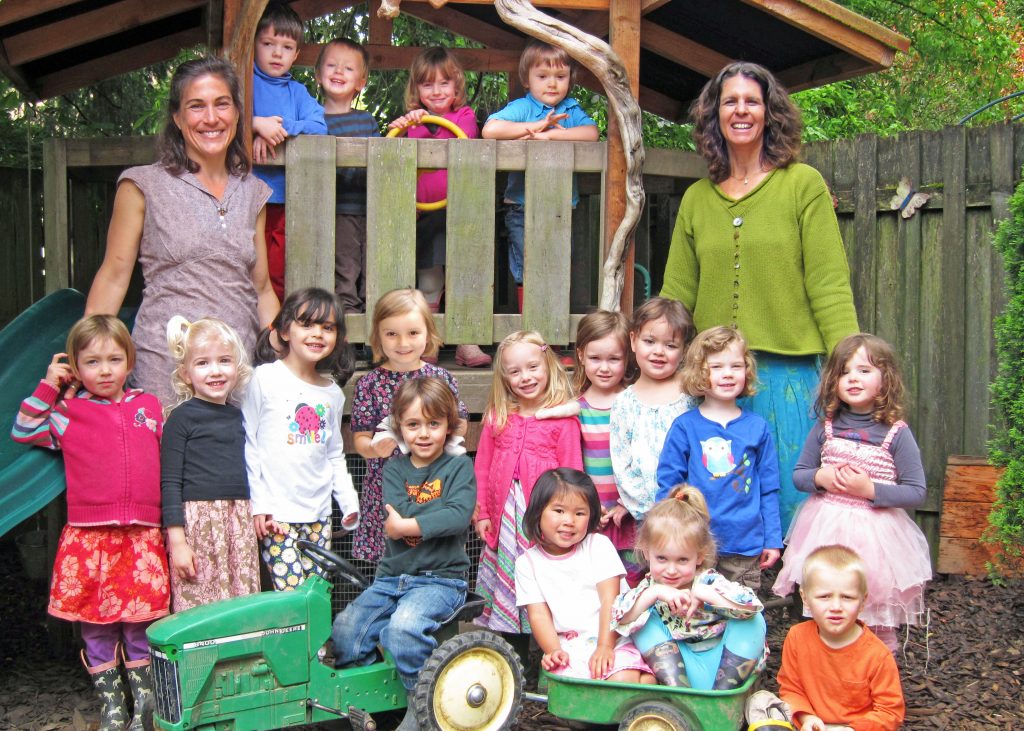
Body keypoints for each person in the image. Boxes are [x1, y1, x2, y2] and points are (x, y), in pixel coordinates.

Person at [660, 61, 859, 532]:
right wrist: (652, 369)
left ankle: (800, 605)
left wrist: (848, 368)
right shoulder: (697, 200)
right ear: (715, 117)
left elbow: (829, 283)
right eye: (730, 101)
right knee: (713, 514)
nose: (741, 110)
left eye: (752, 101)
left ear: (770, 114)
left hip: (787, 381)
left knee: (793, 510)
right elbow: (676, 297)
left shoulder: (802, 185)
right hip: (712, 385)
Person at [85, 56, 278, 408]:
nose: (211, 118)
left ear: (236, 112)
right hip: (165, 369)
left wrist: (286, 356)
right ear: (176, 117)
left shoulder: (254, 192)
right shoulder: (143, 185)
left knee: (233, 463)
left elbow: (261, 288)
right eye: (196, 106)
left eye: (222, 104)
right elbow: (113, 277)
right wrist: (86, 354)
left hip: (237, 372)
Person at [12, 315, 167, 730]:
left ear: (130, 362)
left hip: (141, 537)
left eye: (114, 359)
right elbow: (23, 429)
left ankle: (143, 710)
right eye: (92, 362)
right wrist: (50, 384)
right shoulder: (68, 413)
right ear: (76, 368)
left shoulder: (148, 406)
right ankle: (113, 710)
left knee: (139, 625)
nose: (104, 370)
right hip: (90, 537)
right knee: (97, 626)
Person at [332, 377, 475, 731]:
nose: (423, 434)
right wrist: (433, 516)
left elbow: (457, 517)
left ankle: (423, 704)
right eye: (413, 425)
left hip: (441, 580)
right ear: (399, 428)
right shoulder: (394, 469)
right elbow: (401, 508)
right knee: (346, 629)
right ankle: (370, 702)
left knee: (403, 630)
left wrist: (409, 525)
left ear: (449, 427)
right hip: (392, 577)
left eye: (433, 424)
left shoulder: (459, 467)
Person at [772, 333, 931, 652]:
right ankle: (825, 672)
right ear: (833, 380)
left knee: (874, 609)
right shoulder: (826, 427)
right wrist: (823, 477)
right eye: (845, 372)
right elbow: (800, 476)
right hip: (826, 530)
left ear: (885, 380)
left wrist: (869, 489)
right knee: (828, 602)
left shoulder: (896, 433)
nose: (853, 378)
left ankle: (876, 675)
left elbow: (916, 492)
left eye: (864, 370)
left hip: (877, 536)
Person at [243, 288, 359, 590]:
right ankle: (304, 640)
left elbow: (334, 454)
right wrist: (259, 503)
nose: (317, 334)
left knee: (316, 593)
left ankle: (316, 641)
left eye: (328, 327)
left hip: (319, 515)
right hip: (278, 515)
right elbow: (250, 443)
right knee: (292, 595)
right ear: (284, 330)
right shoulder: (264, 378)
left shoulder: (332, 393)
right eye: (306, 324)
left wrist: (347, 502)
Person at [473, 330, 583, 641]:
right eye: (515, 371)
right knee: (508, 576)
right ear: (505, 378)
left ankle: (545, 650)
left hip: (543, 519)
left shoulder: (562, 421)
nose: (526, 377)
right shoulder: (500, 417)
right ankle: (510, 645)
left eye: (533, 367)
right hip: (506, 516)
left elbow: (573, 472)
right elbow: (482, 467)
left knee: (543, 578)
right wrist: (482, 513)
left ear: (548, 364)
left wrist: (569, 518)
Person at [656, 326, 782, 590]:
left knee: (740, 613)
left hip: (744, 545)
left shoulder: (757, 427)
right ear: (700, 372)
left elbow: (769, 489)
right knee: (695, 614)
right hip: (694, 544)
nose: (727, 374)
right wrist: (665, 533)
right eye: (716, 367)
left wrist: (772, 539)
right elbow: (669, 484)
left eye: (736, 366)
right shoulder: (685, 426)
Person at [388, 47, 491, 368]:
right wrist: (404, 124)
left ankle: (466, 342)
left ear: (457, 87)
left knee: (463, 275)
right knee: (429, 280)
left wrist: (428, 122)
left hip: (460, 212)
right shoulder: (412, 124)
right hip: (423, 213)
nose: (436, 91)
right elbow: (391, 150)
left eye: (444, 83)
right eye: (427, 85)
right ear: (416, 90)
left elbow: (466, 138)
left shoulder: (464, 117)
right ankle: (429, 341)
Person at [350, 288, 469, 562]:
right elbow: (360, 440)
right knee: (390, 567)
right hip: (388, 489)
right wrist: (374, 448)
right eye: (391, 333)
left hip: (435, 486)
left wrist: (445, 428)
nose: (403, 342)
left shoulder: (441, 378)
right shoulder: (369, 384)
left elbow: (460, 425)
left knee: (432, 563)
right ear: (378, 336)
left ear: (428, 333)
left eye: (413, 333)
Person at [611, 486, 766, 691]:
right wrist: (655, 593)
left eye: (682, 560)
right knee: (642, 621)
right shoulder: (650, 587)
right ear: (647, 553)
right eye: (662, 559)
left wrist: (705, 594)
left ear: (699, 557)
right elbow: (619, 618)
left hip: (723, 668)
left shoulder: (708, 580)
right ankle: (682, 695)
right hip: (677, 671)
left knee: (753, 621)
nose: (671, 570)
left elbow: (752, 606)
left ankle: (719, 699)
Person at [482, 41, 599, 310]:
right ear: (526, 79)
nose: (552, 84)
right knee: (526, 264)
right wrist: (536, 126)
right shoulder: (523, 107)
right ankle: (532, 330)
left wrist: (554, 134)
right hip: (522, 206)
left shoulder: (569, 110)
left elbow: (591, 133)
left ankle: (553, 335)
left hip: (560, 207)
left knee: (557, 265)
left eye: (560, 77)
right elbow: (490, 129)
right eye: (543, 76)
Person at [515, 468, 653, 683]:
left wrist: (605, 647)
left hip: (611, 636)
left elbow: (611, 600)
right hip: (570, 645)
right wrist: (553, 650)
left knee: (624, 679)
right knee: (577, 688)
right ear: (538, 511)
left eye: (579, 513)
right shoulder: (527, 563)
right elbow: (539, 615)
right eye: (559, 511)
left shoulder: (597, 546)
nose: (569, 521)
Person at [161, 316, 260, 612]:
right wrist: (177, 541)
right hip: (198, 524)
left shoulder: (242, 417)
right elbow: (169, 482)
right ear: (186, 373)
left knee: (240, 600)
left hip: (239, 519)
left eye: (224, 361)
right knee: (200, 599)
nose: (215, 371)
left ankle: (240, 657)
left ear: (237, 368)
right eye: (203, 363)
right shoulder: (181, 418)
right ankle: (200, 659)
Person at [538, 310, 640, 581]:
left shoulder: (634, 405)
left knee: (631, 580)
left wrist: (628, 503)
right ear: (581, 356)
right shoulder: (577, 409)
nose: (604, 368)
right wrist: (590, 508)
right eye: (595, 358)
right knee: (591, 580)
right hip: (591, 514)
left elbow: (643, 461)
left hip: (627, 513)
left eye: (614, 359)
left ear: (627, 357)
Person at [757, 545, 905, 731]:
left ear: (862, 602)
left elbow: (890, 712)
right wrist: (806, 717)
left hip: (856, 728)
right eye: (824, 596)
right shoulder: (797, 637)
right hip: (812, 725)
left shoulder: (877, 655)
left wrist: (851, 729)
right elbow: (791, 688)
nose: (836, 606)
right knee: (759, 705)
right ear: (805, 598)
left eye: (847, 597)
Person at [251, 1, 328, 300]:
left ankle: (278, 326)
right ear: (254, 45)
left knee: (280, 264)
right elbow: (227, 119)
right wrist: (255, 125)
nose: (276, 53)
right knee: (251, 262)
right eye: (268, 43)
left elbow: (319, 125)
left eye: (285, 47)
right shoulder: (244, 84)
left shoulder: (297, 92)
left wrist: (278, 130)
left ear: (296, 54)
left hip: (286, 196)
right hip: (249, 196)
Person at [609, 297, 696, 524]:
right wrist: (644, 506)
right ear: (633, 340)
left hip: (689, 513)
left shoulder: (692, 397)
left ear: (684, 350)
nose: (659, 351)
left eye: (670, 345)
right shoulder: (624, 403)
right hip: (645, 516)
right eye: (649, 341)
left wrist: (685, 504)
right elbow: (622, 461)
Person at [315, 37, 380, 314]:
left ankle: (374, 316)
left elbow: (380, 160)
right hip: (337, 208)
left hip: (369, 207)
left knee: (373, 262)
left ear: (361, 82)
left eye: (348, 69)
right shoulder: (313, 119)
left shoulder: (366, 121)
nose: (339, 72)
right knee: (346, 263)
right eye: (331, 65)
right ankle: (349, 318)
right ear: (318, 75)